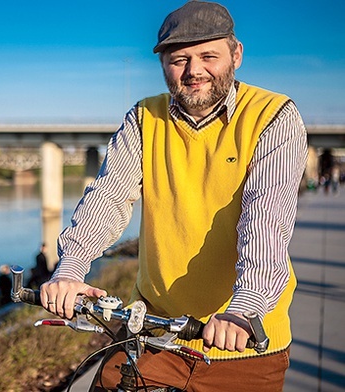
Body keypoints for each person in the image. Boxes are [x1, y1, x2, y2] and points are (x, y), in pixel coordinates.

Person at [40, 2, 307, 391]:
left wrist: (245, 306)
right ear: (164, 64)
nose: (194, 71)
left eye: (208, 56)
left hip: (242, 338)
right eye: (179, 59)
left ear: (236, 54)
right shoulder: (144, 117)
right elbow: (108, 197)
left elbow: (265, 219)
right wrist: (70, 268)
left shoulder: (274, 116)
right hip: (154, 334)